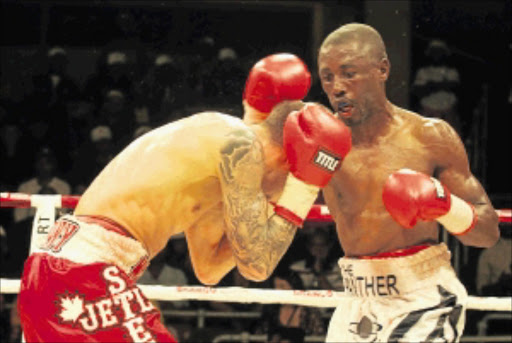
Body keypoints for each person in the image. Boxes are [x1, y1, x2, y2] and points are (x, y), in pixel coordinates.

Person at [17, 53, 352, 343]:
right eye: (290, 179)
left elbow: (209, 269)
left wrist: (264, 208)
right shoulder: (240, 144)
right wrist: (302, 190)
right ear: (286, 160)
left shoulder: (214, 169)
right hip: (84, 271)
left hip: (58, 270)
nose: (277, 196)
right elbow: (259, 263)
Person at [316, 23, 500, 342]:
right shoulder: (320, 145)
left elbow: (488, 232)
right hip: (356, 301)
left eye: (349, 73)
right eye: (328, 77)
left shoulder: (428, 137)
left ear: (382, 69)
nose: (337, 87)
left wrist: (444, 204)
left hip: (423, 296)